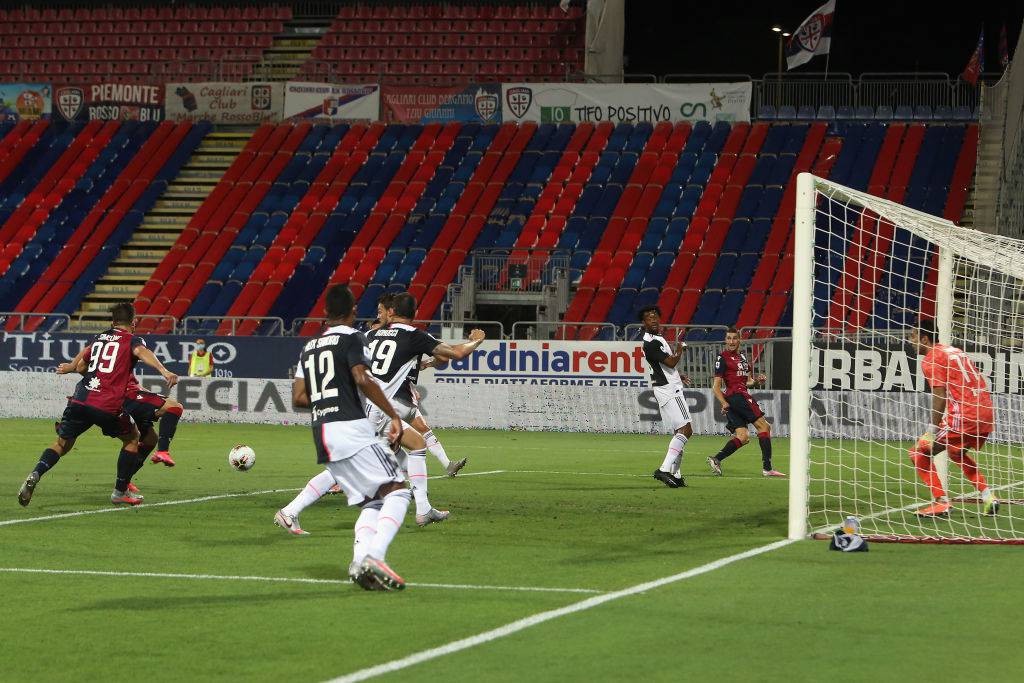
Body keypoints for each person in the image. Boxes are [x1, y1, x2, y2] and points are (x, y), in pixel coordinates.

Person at [277, 284, 410, 591]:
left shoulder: (308, 348)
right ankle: (375, 557)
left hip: (323, 434)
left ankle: (359, 562)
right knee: (398, 491)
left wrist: (328, 398)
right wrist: (392, 415)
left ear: (324, 314)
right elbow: (363, 378)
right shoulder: (353, 337)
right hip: (350, 427)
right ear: (353, 311)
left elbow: (298, 398)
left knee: (372, 500)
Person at [18, 302, 178, 507]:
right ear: (134, 322)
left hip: (81, 399)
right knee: (133, 438)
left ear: (113, 322)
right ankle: (120, 492)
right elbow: (141, 352)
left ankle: (36, 473)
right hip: (107, 403)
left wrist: (71, 367)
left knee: (61, 443)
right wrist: (164, 371)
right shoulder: (132, 340)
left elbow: (82, 364)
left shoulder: (98, 338)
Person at [908, 319, 999, 517]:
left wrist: (930, 431)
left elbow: (939, 396)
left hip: (965, 416)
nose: (910, 341)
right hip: (985, 412)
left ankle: (941, 502)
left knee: (919, 453)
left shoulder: (931, 359)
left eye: (913, 337)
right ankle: (988, 496)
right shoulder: (954, 351)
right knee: (955, 453)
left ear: (925, 338)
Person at [707, 326, 785, 478]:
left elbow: (748, 382)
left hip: (736, 397)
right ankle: (767, 468)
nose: (731, 341)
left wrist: (757, 381)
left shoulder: (743, 358)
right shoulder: (722, 358)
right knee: (764, 426)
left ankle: (716, 459)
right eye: (728, 338)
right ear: (725, 340)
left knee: (743, 437)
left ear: (739, 340)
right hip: (737, 396)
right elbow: (716, 387)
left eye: (734, 338)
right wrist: (723, 402)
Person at [638, 306, 692, 488]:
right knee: (686, 430)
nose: (653, 320)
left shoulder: (656, 339)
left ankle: (676, 474)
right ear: (643, 323)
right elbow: (671, 361)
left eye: (655, 317)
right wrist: (680, 348)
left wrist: (678, 375)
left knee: (680, 431)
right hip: (669, 390)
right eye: (648, 318)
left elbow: (665, 366)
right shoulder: (651, 342)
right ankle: (664, 469)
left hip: (667, 386)